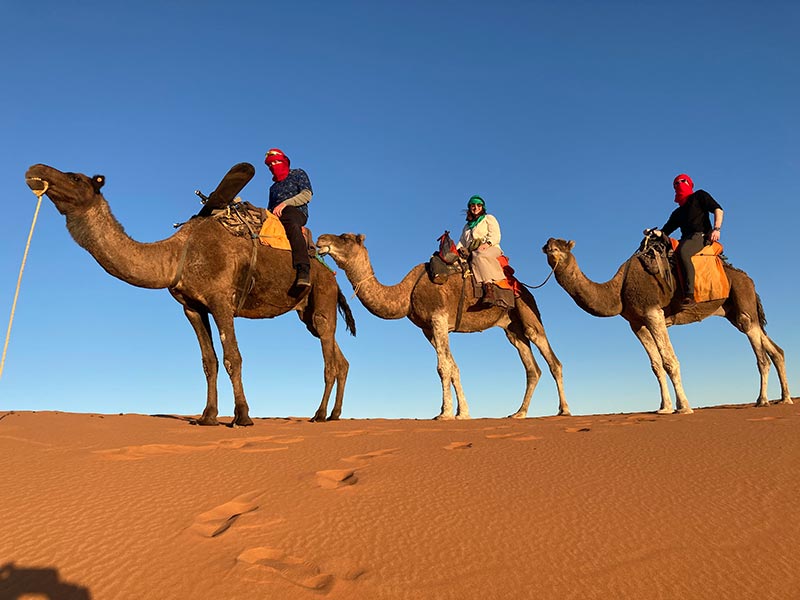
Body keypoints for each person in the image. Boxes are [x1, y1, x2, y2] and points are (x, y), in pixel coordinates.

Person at [656, 173, 724, 307]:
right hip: (685, 238)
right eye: (676, 183)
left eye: (683, 181)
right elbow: (665, 231)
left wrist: (717, 229)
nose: (679, 184)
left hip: (701, 236)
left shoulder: (699, 196)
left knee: (683, 252)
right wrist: (653, 232)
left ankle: (690, 295)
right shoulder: (678, 213)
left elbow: (718, 209)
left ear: (690, 183)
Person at [264, 148, 313, 287]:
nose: (273, 166)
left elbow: (306, 195)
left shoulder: (298, 174)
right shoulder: (273, 188)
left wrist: (285, 204)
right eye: (270, 165)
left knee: (289, 221)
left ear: (284, 161)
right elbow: (270, 208)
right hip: (275, 215)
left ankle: (303, 268)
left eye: (277, 162)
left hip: (296, 212)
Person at [456, 195, 509, 307]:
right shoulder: (466, 227)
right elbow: (461, 242)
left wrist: (487, 244)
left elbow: (496, 235)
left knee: (479, 255)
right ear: (469, 207)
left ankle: (488, 288)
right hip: (473, 252)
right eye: (473, 205)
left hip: (491, 248)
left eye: (478, 205)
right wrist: (456, 251)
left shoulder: (488, 218)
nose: (476, 207)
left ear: (482, 207)